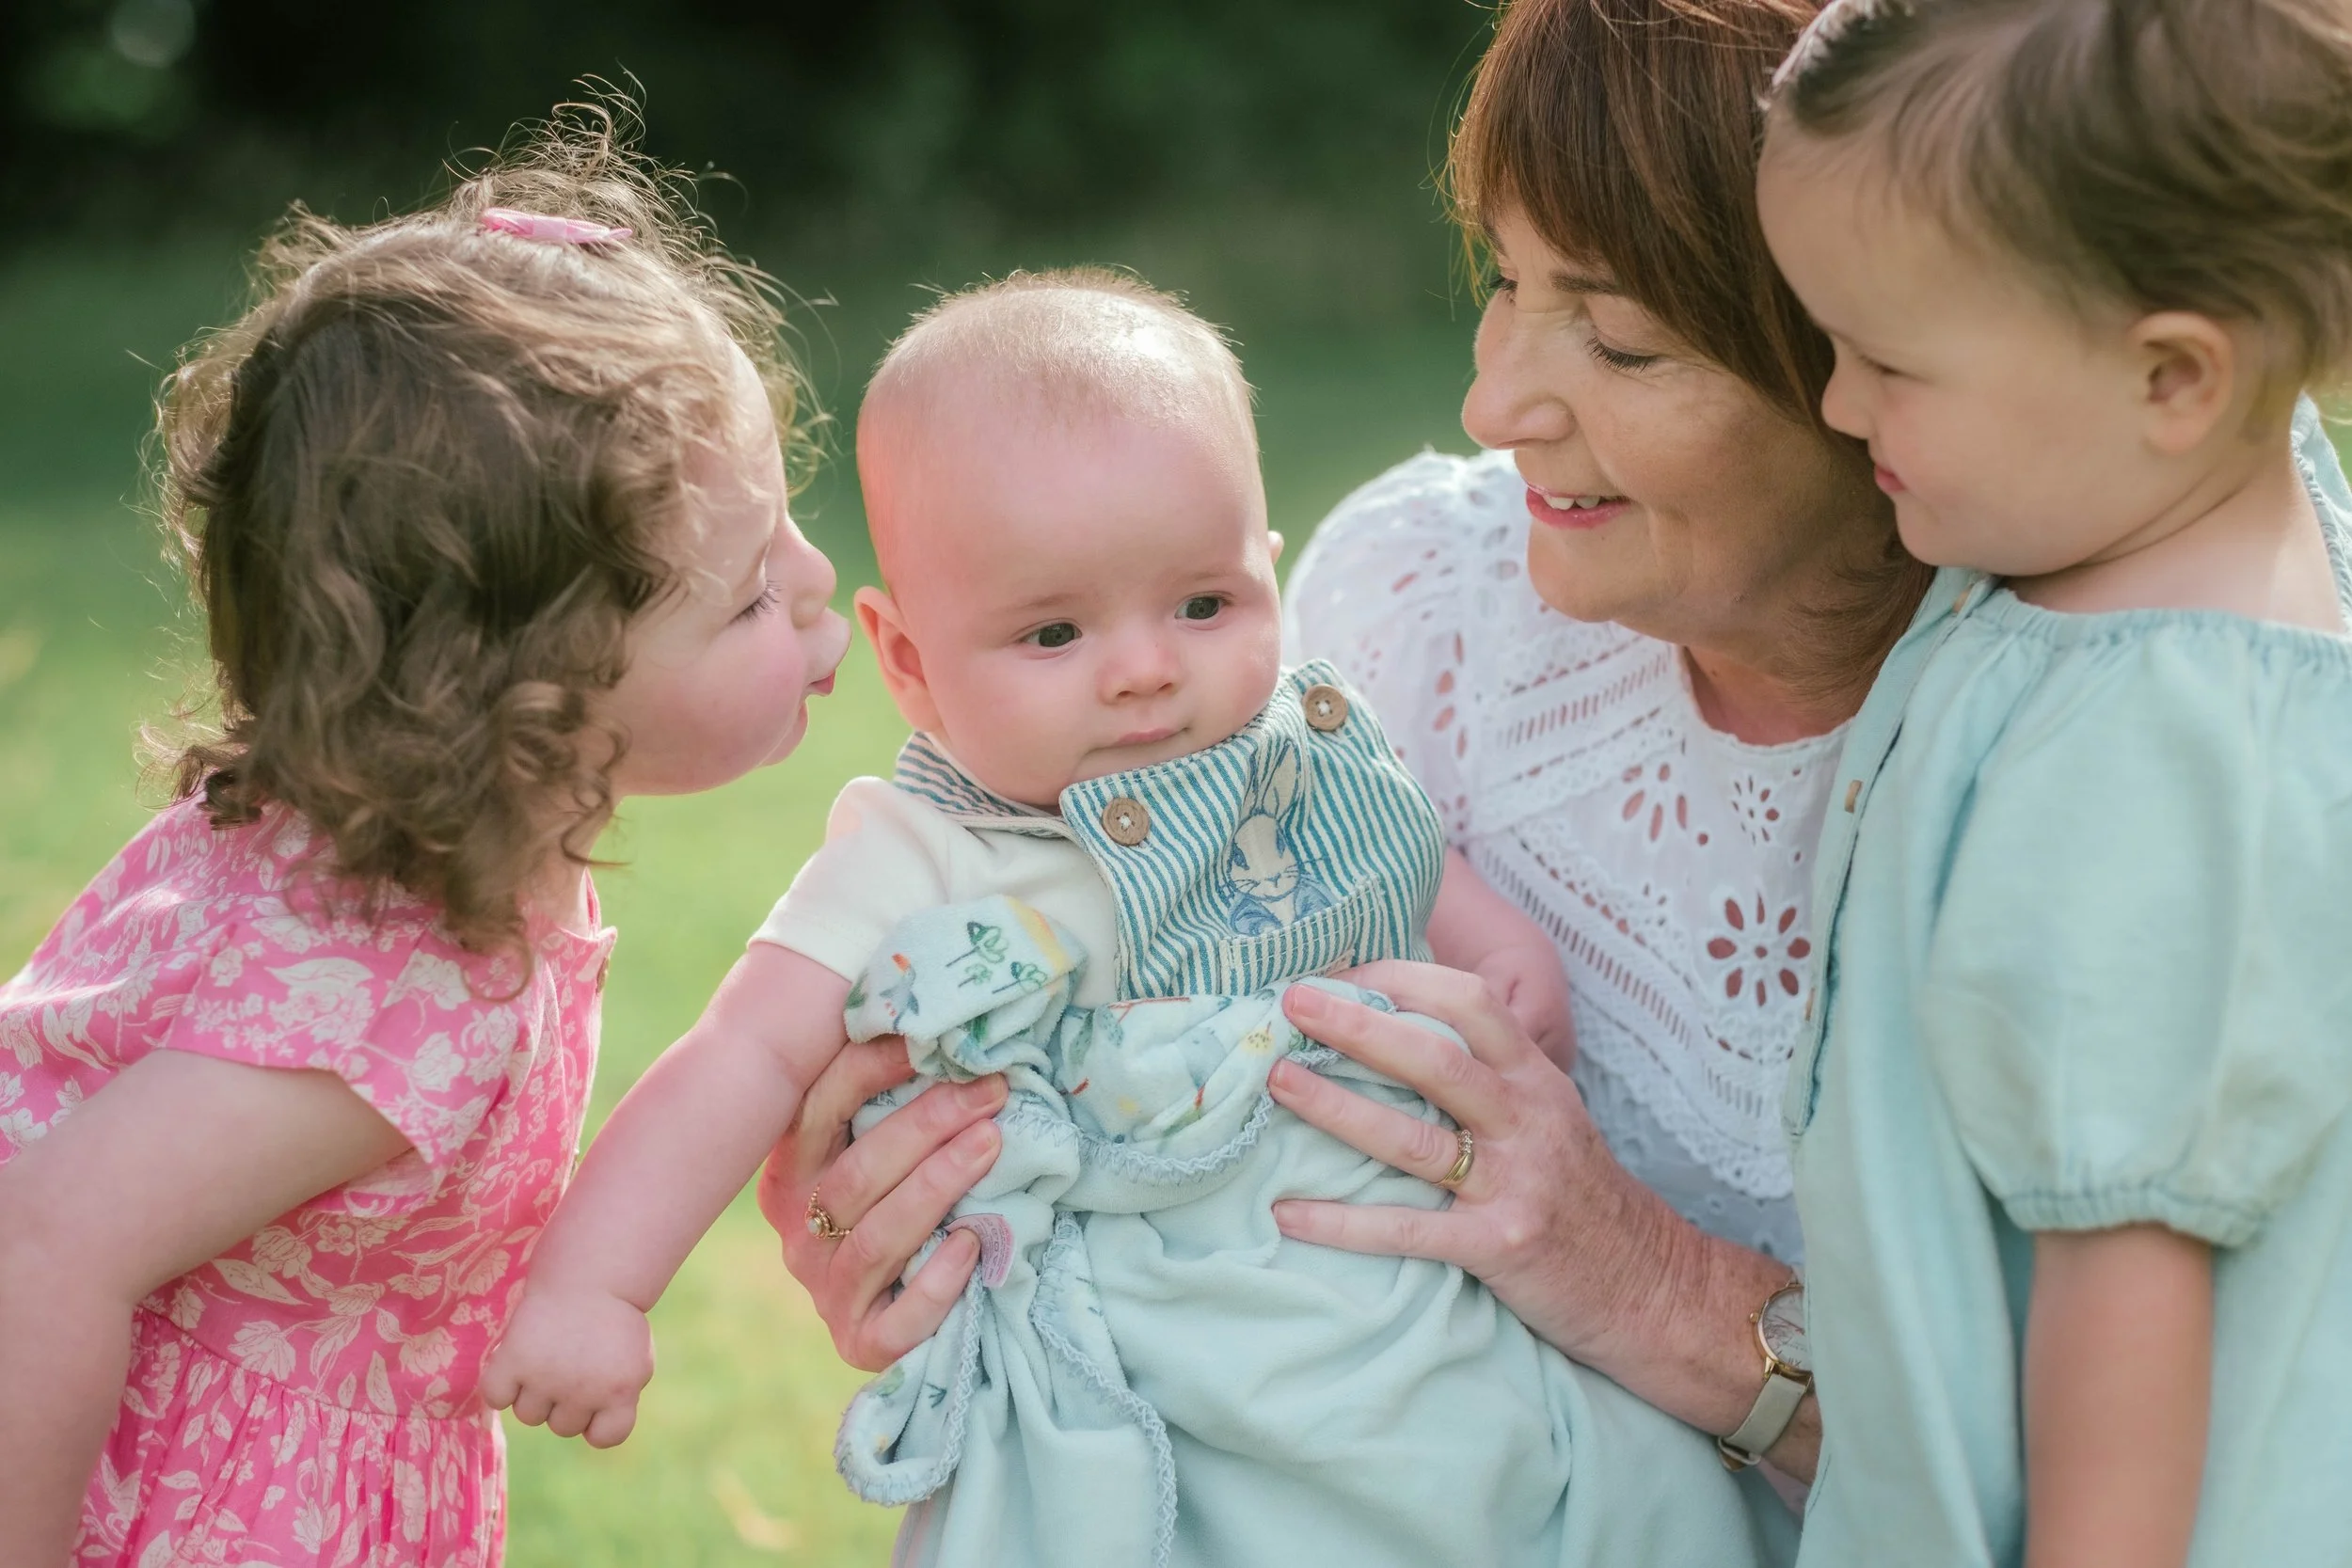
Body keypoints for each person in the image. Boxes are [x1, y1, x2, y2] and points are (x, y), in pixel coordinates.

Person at [486, 271, 1790, 1568]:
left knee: (1580, 1489)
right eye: (1053, 632)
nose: (1147, 667)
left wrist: (1506, 963)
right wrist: (596, 1286)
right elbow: (740, 1055)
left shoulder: (1302, 749)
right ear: (908, 662)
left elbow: (1415, 868)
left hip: (1413, 1324)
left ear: (1269, 574)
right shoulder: (920, 852)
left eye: (1205, 604)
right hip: (1144, 1363)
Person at [0, 105, 850, 1568]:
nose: (822, 581)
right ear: (526, 691)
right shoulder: (390, 1007)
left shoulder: (407, 845)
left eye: (787, 531)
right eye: (752, 595)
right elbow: (43, 1245)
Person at [1754, 0, 2352, 1561]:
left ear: (2172, 376)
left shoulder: (2158, 750)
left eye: (1886, 361)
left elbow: (2127, 1291)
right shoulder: (2145, 526)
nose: (1836, 404)